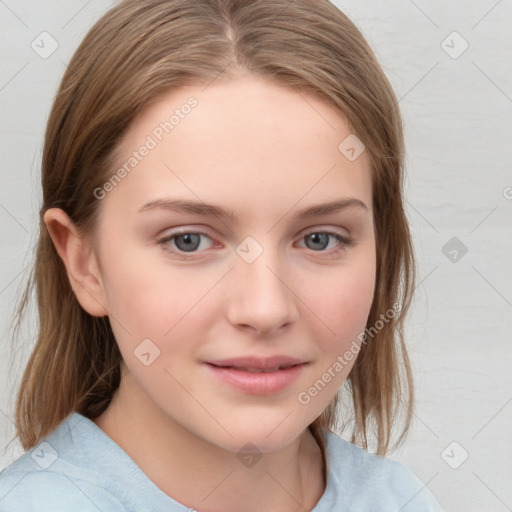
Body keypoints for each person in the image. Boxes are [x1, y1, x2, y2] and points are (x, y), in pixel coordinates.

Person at [0, 0, 445, 510]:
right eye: (188, 240)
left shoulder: (402, 500)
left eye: (320, 238)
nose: (265, 309)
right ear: (84, 264)